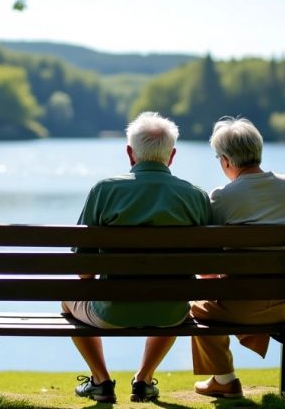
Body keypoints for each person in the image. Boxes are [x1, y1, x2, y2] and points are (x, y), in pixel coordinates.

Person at [64, 111, 211, 403]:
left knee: (69, 297)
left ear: (130, 153)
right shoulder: (195, 196)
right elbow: (208, 266)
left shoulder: (105, 190)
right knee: (172, 295)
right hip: (172, 314)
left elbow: (83, 269)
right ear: (172, 155)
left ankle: (100, 380)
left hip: (111, 314)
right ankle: (143, 380)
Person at [190, 116, 285, 399]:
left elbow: (207, 264)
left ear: (225, 161)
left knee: (195, 308)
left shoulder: (220, 198)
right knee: (249, 297)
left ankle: (224, 379)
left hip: (242, 307)